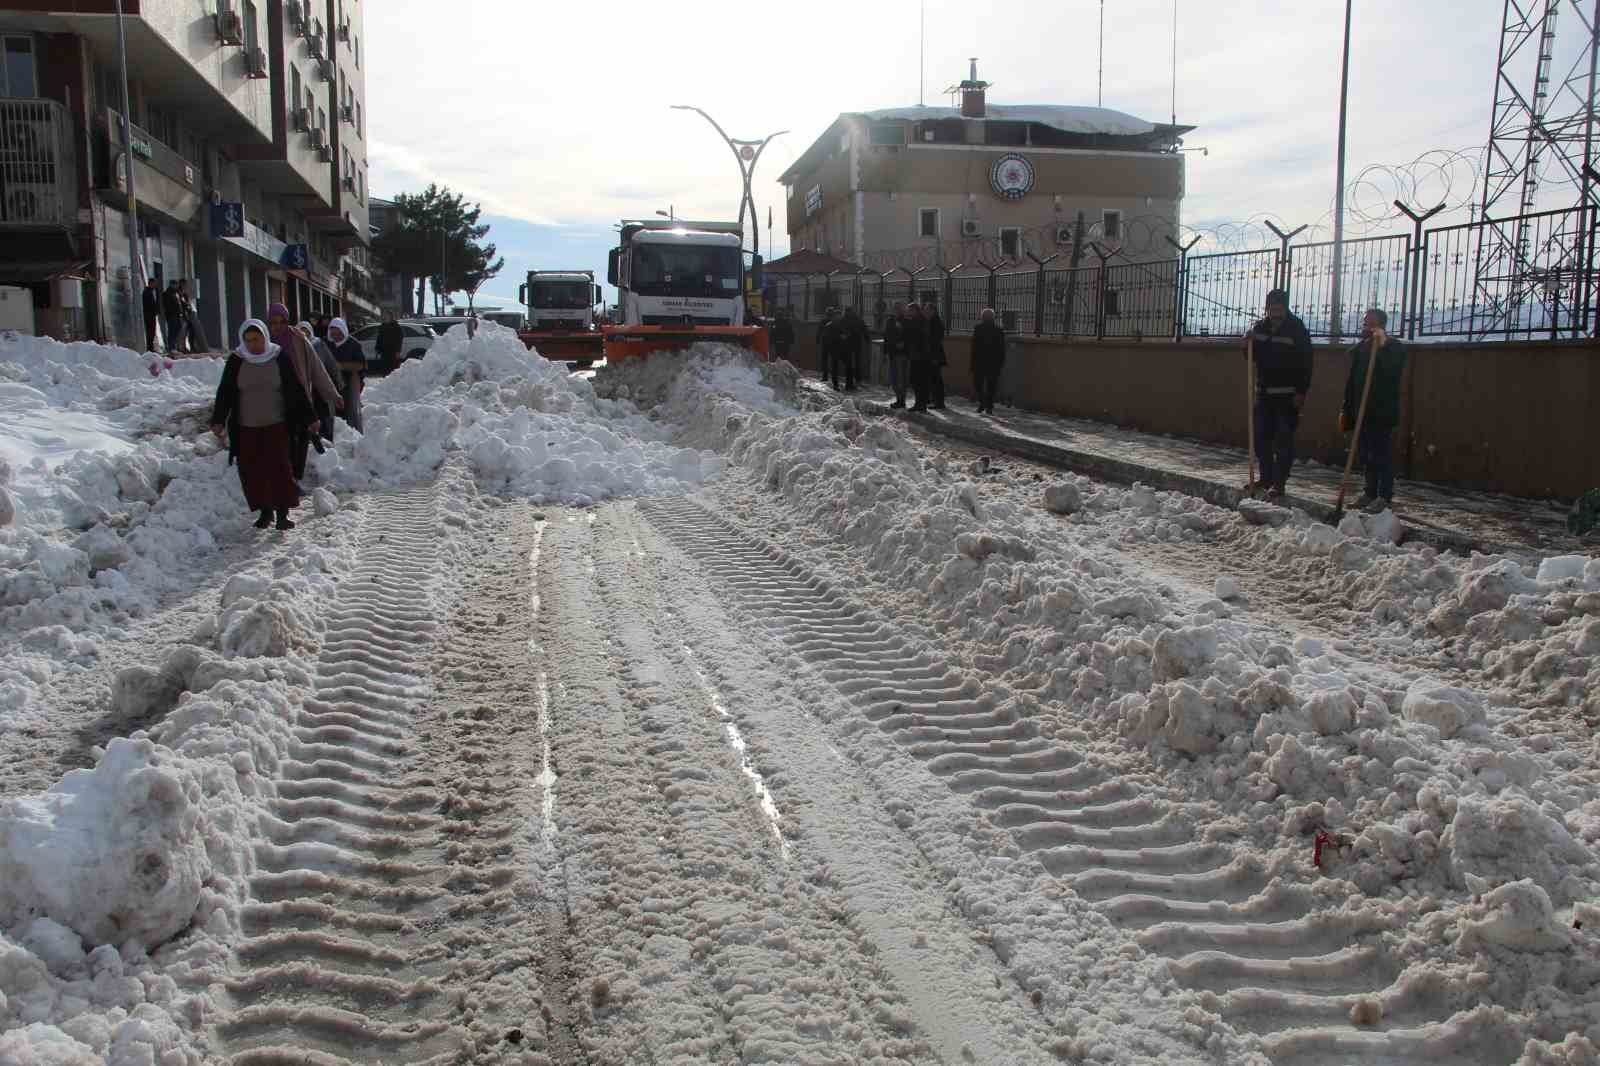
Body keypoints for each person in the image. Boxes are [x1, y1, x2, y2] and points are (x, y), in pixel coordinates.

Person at [209, 319, 316, 531]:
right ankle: (264, 511)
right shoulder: (237, 360)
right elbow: (225, 392)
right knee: (252, 470)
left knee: (280, 468)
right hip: (246, 428)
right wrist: (218, 420)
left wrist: (310, 417)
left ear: (265, 338)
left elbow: (295, 389)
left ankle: (282, 513)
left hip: (277, 424)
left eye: (256, 339)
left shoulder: (278, 357)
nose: (252, 344)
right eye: (248, 340)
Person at [1246, 288, 1313, 500]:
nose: (1275, 310)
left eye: (1279, 306)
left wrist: (1301, 392)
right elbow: (1250, 357)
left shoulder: (1296, 328)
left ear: (1285, 307)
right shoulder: (1260, 326)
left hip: (1287, 395)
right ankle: (1266, 477)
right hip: (1264, 394)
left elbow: (1306, 362)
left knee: (1283, 440)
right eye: (1271, 306)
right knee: (1261, 439)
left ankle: (1279, 482)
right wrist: (1248, 342)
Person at [1341, 308, 1408, 514]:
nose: (1367, 327)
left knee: (1381, 455)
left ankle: (1383, 496)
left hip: (1381, 411)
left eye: (1372, 324)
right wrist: (1347, 408)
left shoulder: (1392, 348)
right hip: (1361, 411)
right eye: (1365, 323)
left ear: (1382, 326)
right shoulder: (1361, 349)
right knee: (1365, 455)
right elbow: (1352, 381)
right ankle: (1369, 492)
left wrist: (1381, 346)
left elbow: (1392, 371)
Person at [265, 302, 341, 482]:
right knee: (281, 444)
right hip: (273, 403)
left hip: (299, 400)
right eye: (273, 322)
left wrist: (332, 394)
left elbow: (316, 368)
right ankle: (285, 481)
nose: (277, 327)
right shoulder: (263, 341)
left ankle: (294, 479)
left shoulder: (297, 339)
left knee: (299, 442)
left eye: (281, 322)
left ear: (287, 321)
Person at [325, 317, 365, 432]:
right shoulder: (325, 343)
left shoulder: (353, 344)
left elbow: (360, 365)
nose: (336, 337)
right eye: (333, 334)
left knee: (350, 413)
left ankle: (353, 434)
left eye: (339, 334)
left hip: (349, 383)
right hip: (330, 383)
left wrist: (340, 366)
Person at [972, 308, 1006, 415]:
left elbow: (1001, 348)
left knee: (986, 384)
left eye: (986, 316)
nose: (984, 318)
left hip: (986, 361)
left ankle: (986, 405)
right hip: (988, 361)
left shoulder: (996, 330)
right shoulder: (980, 328)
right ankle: (986, 404)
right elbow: (975, 346)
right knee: (986, 385)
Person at [905, 302, 931, 411]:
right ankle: (919, 403)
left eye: (909, 310)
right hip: (917, 355)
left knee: (919, 381)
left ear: (915, 310)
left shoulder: (920, 321)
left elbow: (918, 337)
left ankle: (921, 404)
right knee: (916, 380)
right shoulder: (917, 320)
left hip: (920, 356)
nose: (908, 312)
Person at [923, 300, 947, 409]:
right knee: (931, 379)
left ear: (932, 311)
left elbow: (936, 340)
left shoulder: (936, 322)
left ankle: (939, 402)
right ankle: (934, 400)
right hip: (930, 355)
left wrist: (934, 357)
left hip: (935, 355)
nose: (925, 312)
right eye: (925, 310)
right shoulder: (929, 321)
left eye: (927, 310)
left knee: (936, 379)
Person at [882, 303, 908, 408]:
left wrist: (903, 343)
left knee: (901, 378)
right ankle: (898, 399)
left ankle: (902, 400)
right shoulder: (890, 321)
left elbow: (908, 335)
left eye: (899, 309)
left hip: (901, 353)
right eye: (895, 309)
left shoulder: (906, 321)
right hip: (892, 352)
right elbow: (886, 337)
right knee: (894, 378)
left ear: (902, 310)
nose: (897, 311)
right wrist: (885, 352)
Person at [177, 280, 208, 353]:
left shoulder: (185, 294)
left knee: (192, 333)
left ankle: (192, 347)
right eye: (184, 285)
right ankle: (182, 347)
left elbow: (188, 303)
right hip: (184, 317)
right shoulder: (179, 293)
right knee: (182, 333)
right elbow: (183, 304)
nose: (185, 286)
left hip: (189, 317)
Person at [841, 306, 867, 390]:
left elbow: (840, 331)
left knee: (849, 364)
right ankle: (857, 380)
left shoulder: (844, 319)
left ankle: (850, 383)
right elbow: (864, 329)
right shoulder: (857, 319)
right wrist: (867, 339)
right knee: (857, 362)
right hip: (856, 343)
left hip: (848, 344)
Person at [161, 280, 186, 354]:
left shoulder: (176, 293)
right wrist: (173, 311)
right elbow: (167, 305)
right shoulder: (167, 293)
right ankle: (171, 347)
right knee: (172, 331)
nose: (176, 286)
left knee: (178, 329)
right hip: (172, 315)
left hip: (178, 315)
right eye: (175, 285)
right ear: (171, 285)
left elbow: (180, 302)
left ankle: (174, 346)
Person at [376, 311, 404, 375]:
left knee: (393, 368)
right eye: (384, 315)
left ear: (391, 316)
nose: (385, 317)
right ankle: (385, 380)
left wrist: (398, 351)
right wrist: (377, 347)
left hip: (393, 351)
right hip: (384, 350)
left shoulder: (396, 326)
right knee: (384, 368)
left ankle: (393, 380)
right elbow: (379, 338)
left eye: (387, 315)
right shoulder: (382, 326)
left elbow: (399, 339)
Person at [142, 277, 162, 352]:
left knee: (153, 331)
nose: (155, 285)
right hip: (148, 315)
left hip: (153, 314)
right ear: (150, 283)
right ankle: (149, 347)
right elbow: (148, 304)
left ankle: (151, 347)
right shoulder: (146, 292)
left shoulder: (154, 291)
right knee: (149, 331)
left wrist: (157, 310)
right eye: (154, 283)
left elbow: (156, 302)